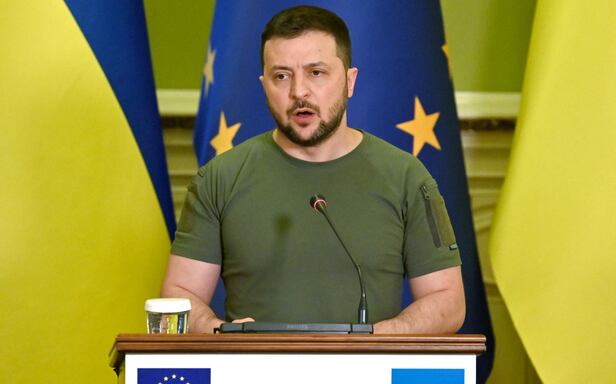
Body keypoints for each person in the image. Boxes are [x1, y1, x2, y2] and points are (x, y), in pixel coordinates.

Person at [161, 5, 465, 334]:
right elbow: (180, 295)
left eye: (316, 73)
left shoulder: (407, 177)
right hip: (255, 368)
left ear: (350, 81)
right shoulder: (218, 179)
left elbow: (447, 302)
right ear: (264, 86)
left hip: (369, 367)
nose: (299, 92)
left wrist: (381, 338)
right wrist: (220, 333)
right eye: (281, 76)